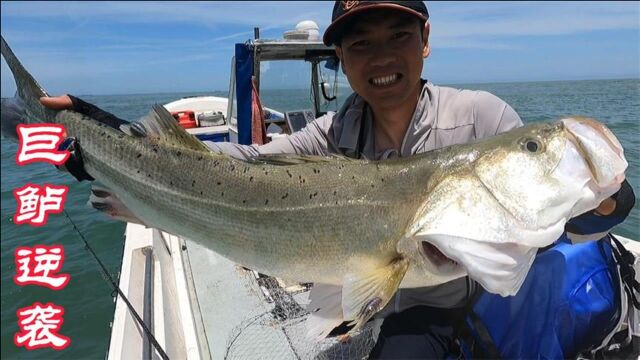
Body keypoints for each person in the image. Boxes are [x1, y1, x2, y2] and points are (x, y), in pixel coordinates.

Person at [36, 1, 635, 358]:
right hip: (401, 315)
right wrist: (100, 135)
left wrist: (602, 204)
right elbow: (244, 165)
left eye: (399, 36)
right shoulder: (328, 135)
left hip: (492, 305)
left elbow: (549, 221)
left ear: (425, 42)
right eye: (360, 44)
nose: (381, 58)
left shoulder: (483, 118)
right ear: (340, 61)